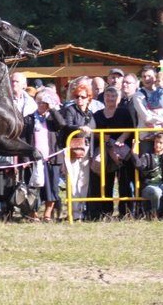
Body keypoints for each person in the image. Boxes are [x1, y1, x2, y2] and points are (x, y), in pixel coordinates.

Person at [22, 92, 66, 221]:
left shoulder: (52, 119)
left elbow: (62, 124)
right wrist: (25, 159)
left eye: (44, 102)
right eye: (39, 102)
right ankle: (33, 213)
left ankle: (48, 212)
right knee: (33, 188)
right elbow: (23, 139)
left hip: (51, 158)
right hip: (34, 159)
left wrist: (52, 109)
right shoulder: (29, 119)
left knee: (51, 187)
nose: (42, 105)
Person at [92, 86, 134, 219]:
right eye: (108, 96)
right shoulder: (97, 114)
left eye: (113, 96)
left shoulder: (124, 112)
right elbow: (95, 132)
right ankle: (106, 213)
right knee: (106, 183)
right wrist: (107, 140)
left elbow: (130, 129)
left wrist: (121, 139)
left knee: (124, 183)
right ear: (103, 98)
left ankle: (125, 212)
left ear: (119, 98)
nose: (110, 99)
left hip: (122, 151)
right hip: (105, 151)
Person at [61, 81, 96, 221]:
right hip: (74, 149)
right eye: (77, 97)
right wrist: (79, 128)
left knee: (84, 181)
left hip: (87, 150)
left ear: (89, 98)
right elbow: (67, 125)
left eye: (83, 96)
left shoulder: (90, 113)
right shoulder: (70, 110)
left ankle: (81, 211)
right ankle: (74, 213)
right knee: (73, 180)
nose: (80, 99)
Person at [131, 132, 163, 220]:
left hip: (162, 184)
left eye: (160, 143)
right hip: (149, 186)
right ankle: (154, 214)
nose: (157, 145)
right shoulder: (147, 156)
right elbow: (139, 166)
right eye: (156, 142)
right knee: (156, 191)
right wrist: (134, 153)